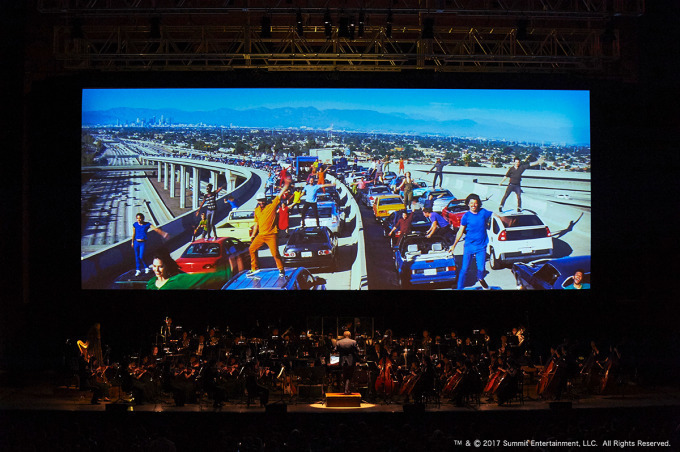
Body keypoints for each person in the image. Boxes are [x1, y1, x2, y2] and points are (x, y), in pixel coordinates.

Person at [450, 194, 495, 290]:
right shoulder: (466, 216)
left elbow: (495, 215)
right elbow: (460, 232)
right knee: (465, 269)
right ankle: (459, 287)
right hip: (469, 246)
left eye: (475, 203)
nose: (473, 205)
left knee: (481, 269)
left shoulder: (484, 212)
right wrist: (454, 245)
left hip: (481, 247)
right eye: (471, 203)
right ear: (468, 204)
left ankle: (480, 278)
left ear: (478, 204)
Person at [247, 181, 291, 278]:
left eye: (263, 200)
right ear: (257, 201)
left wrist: (286, 185)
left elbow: (279, 196)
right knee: (252, 249)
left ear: (265, 199)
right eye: (259, 200)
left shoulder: (271, 206)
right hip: (261, 235)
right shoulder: (257, 210)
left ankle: (281, 269)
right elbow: (256, 224)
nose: (261, 202)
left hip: (272, 235)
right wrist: (253, 235)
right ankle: (254, 268)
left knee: (275, 253)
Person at [146, 253, 231, 290]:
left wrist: (226, 272)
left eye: (160, 267)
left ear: (166, 267)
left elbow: (202, 278)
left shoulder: (178, 280)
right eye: (154, 266)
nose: (156, 270)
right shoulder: (151, 283)